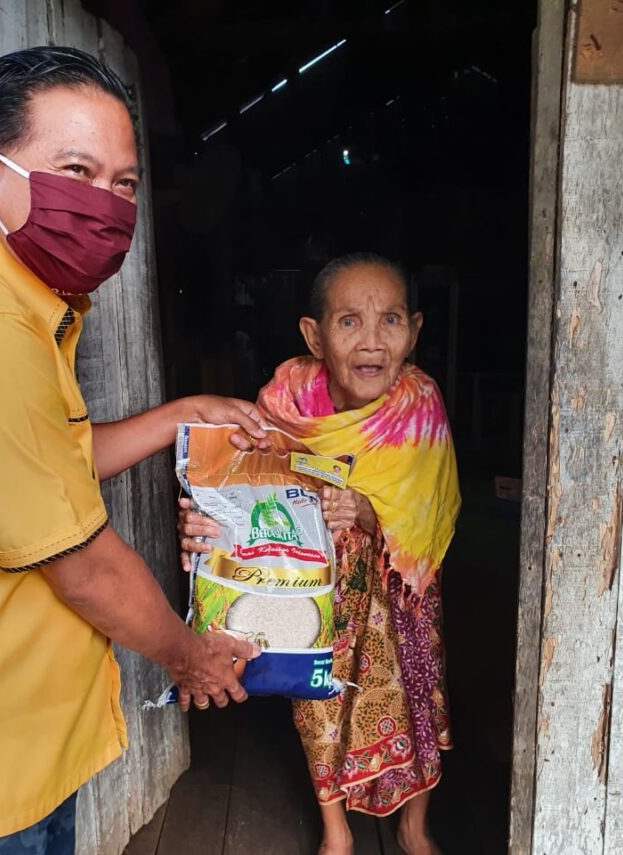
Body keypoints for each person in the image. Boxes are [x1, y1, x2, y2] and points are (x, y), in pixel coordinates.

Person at [0, 46, 266, 854]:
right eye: (75, 169)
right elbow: (83, 562)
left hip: (14, 730)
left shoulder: (7, 296)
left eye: (123, 184)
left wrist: (182, 411)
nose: (103, 205)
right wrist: (191, 658)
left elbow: (52, 462)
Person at [179, 254, 460, 855]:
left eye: (390, 320)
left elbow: (426, 507)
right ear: (314, 335)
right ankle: (337, 832)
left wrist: (363, 510)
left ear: (414, 330)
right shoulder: (284, 403)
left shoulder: (419, 405)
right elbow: (243, 481)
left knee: (416, 691)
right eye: (349, 322)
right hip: (311, 581)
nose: (372, 340)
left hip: (398, 591)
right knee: (318, 699)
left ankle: (414, 825)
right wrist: (207, 517)